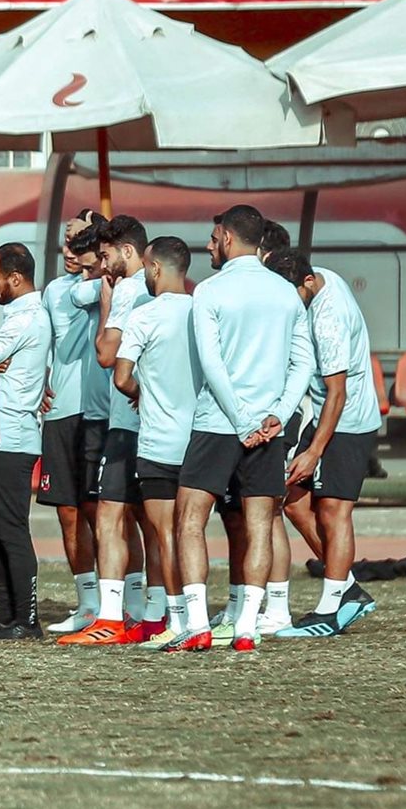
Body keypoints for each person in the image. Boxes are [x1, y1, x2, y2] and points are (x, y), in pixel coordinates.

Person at [165, 205, 313, 653]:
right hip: (268, 427)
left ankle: (197, 624)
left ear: (228, 238)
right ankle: (247, 627)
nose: (209, 246)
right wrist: (278, 414)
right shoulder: (285, 292)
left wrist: (243, 419)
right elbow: (303, 363)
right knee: (260, 525)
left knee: (189, 519)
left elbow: (212, 364)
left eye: (213, 239)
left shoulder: (209, 291)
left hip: (219, 421)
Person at [269, 249, 383, 638]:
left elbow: (338, 393)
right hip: (325, 416)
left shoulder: (328, 319)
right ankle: (348, 589)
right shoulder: (318, 276)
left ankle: (330, 609)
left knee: (334, 511)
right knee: (292, 500)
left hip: (346, 422)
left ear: (307, 283)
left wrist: (314, 451)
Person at [60, 214, 157, 645]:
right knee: (154, 522)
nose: (102, 265)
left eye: (105, 255)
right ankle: (153, 612)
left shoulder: (126, 291)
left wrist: (105, 305)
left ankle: (111, 617)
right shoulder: (161, 290)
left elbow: (105, 354)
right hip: (156, 421)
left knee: (110, 514)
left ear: (127, 251)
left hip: (126, 423)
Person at [111, 237, 202, 650]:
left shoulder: (144, 315)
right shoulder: (201, 311)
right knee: (194, 532)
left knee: (165, 536)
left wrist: (142, 393)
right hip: (200, 439)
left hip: (158, 442)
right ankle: (204, 618)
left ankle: (176, 619)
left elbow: (121, 376)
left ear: (155, 268)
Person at [38, 212, 110, 633]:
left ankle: (120, 599)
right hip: (62, 410)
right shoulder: (55, 290)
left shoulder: (112, 285)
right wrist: (38, 381)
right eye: (67, 240)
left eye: (80, 240)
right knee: (68, 510)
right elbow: (44, 343)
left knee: (103, 510)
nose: (70, 249)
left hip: (101, 411)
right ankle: (87, 603)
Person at [0, 242, 49, 640]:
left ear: (16, 279)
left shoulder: (27, 318)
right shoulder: (17, 317)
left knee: (11, 531)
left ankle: (27, 619)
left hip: (13, 439)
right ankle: (7, 616)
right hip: (0, 436)